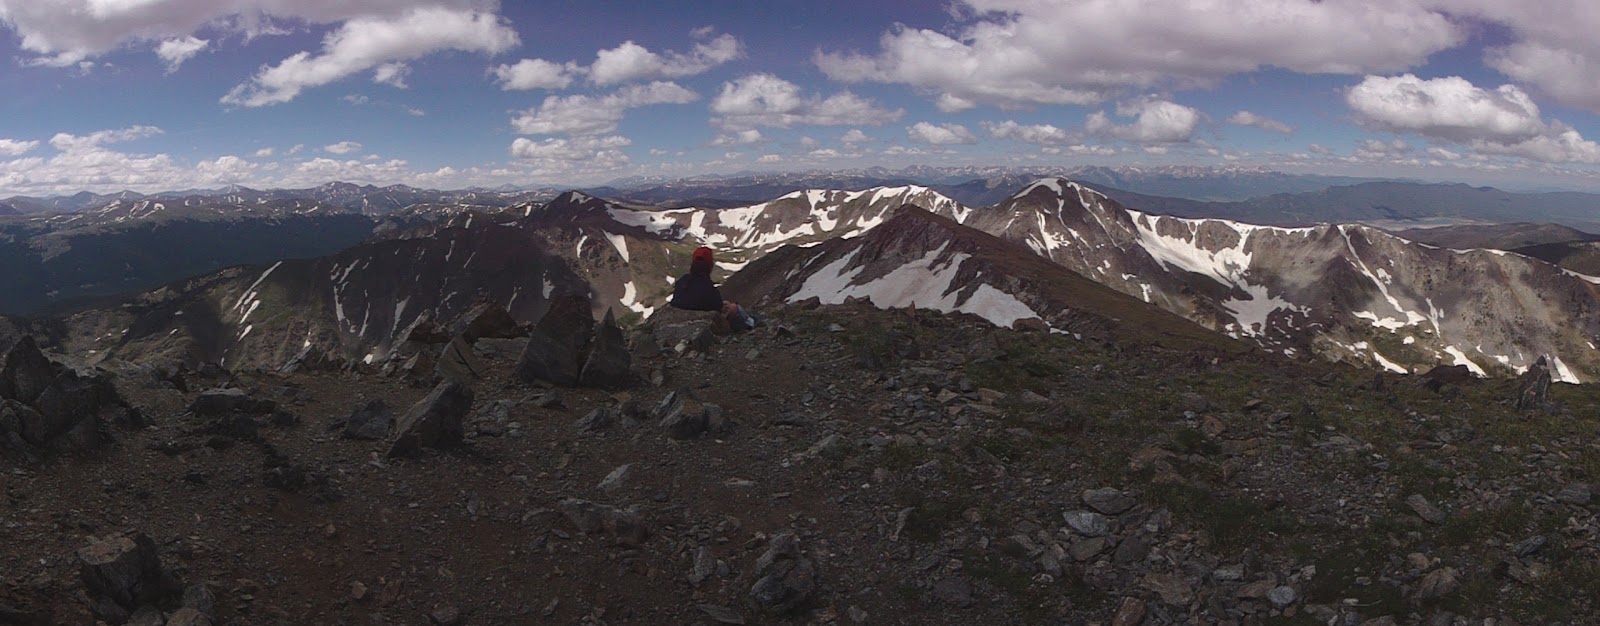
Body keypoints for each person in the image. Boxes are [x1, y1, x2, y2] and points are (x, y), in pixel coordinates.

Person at [671, 246, 757, 331]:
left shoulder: (683, 281)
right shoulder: (707, 286)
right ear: (710, 265)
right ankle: (751, 323)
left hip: (679, 317)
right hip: (700, 321)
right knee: (733, 308)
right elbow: (716, 306)